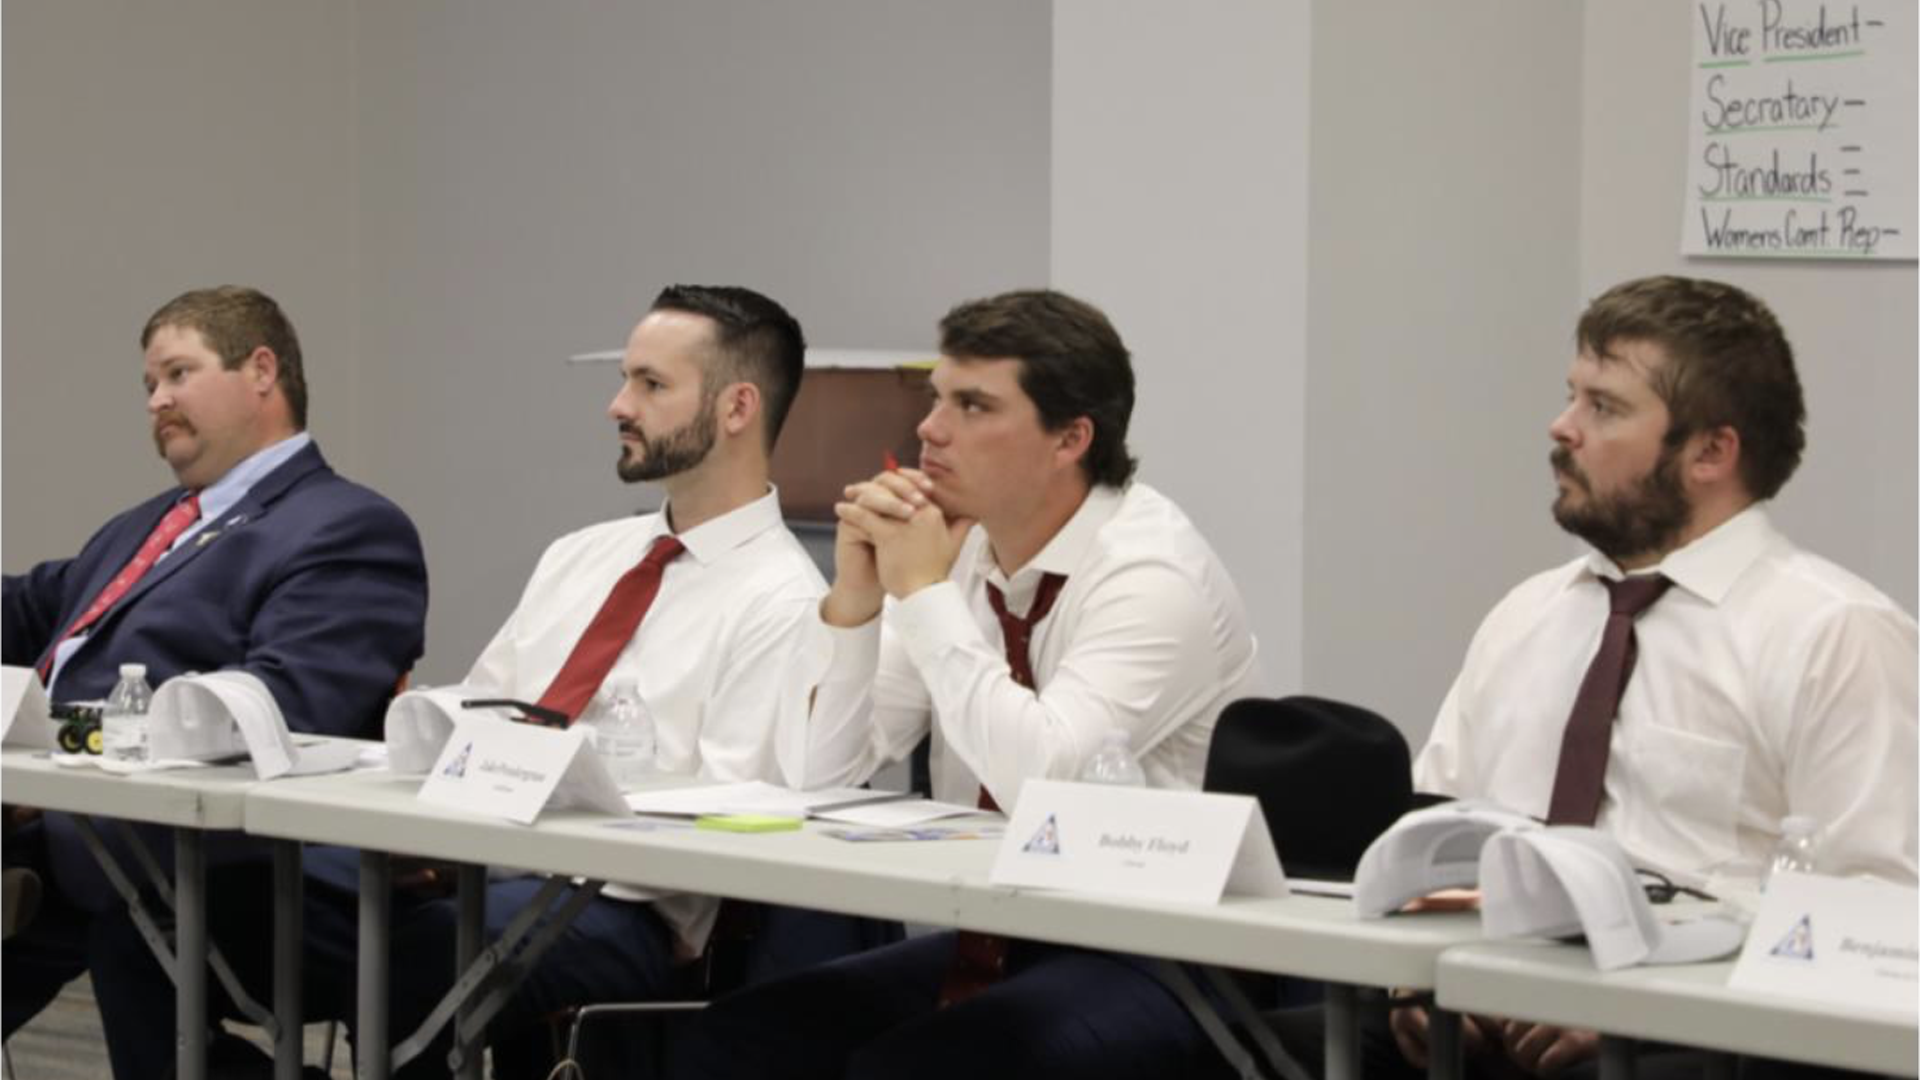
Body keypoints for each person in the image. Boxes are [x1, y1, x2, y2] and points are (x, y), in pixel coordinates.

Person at [300, 284, 895, 1079]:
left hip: (624, 908)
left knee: (415, 955)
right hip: (479, 864)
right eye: (625, 379)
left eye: (651, 384)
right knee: (232, 899)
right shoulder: (581, 555)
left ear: (737, 407)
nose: (618, 405)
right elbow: (482, 714)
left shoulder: (782, 601)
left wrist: (486, 844)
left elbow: (721, 821)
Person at [670, 288, 1261, 1080]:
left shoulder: (1152, 577)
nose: (929, 429)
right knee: (738, 1039)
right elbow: (818, 772)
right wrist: (855, 598)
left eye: (974, 405)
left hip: (1157, 946)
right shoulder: (967, 546)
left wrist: (921, 595)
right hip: (1003, 927)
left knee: (922, 1066)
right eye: (936, 397)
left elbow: (1042, 778)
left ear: (1070, 438)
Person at [1396, 275, 1917, 1079]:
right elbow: (1436, 834)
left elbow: (1881, 916)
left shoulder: (1833, 634)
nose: (1562, 427)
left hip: (1701, 1033)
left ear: (1712, 451)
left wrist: (1648, 1004)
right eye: (1572, 396)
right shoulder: (1529, 614)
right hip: (1485, 1014)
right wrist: (1420, 979)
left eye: (1603, 408)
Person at [1, 285, 430, 1075]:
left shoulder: (346, 526)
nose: (156, 401)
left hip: (191, 851)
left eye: (176, 373)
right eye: (148, 386)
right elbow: (30, 605)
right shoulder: (148, 524)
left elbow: (285, 705)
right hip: (68, 831)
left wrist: (63, 751)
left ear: (261, 370)